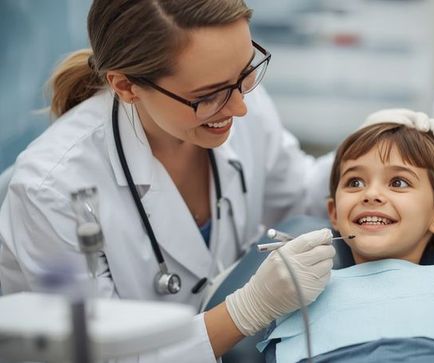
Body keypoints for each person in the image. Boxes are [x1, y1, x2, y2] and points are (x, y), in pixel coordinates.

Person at [0, 1, 338, 362]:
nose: (240, 107)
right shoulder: (51, 189)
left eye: (246, 72)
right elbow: (101, 357)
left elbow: (298, 196)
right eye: (208, 95)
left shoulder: (231, 91)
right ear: (126, 86)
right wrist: (244, 312)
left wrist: (383, 144)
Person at [262, 109, 434, 362]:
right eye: (355, 182)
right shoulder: (296, 297)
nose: (371, 194)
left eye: (398, 183)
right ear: (334, 213)